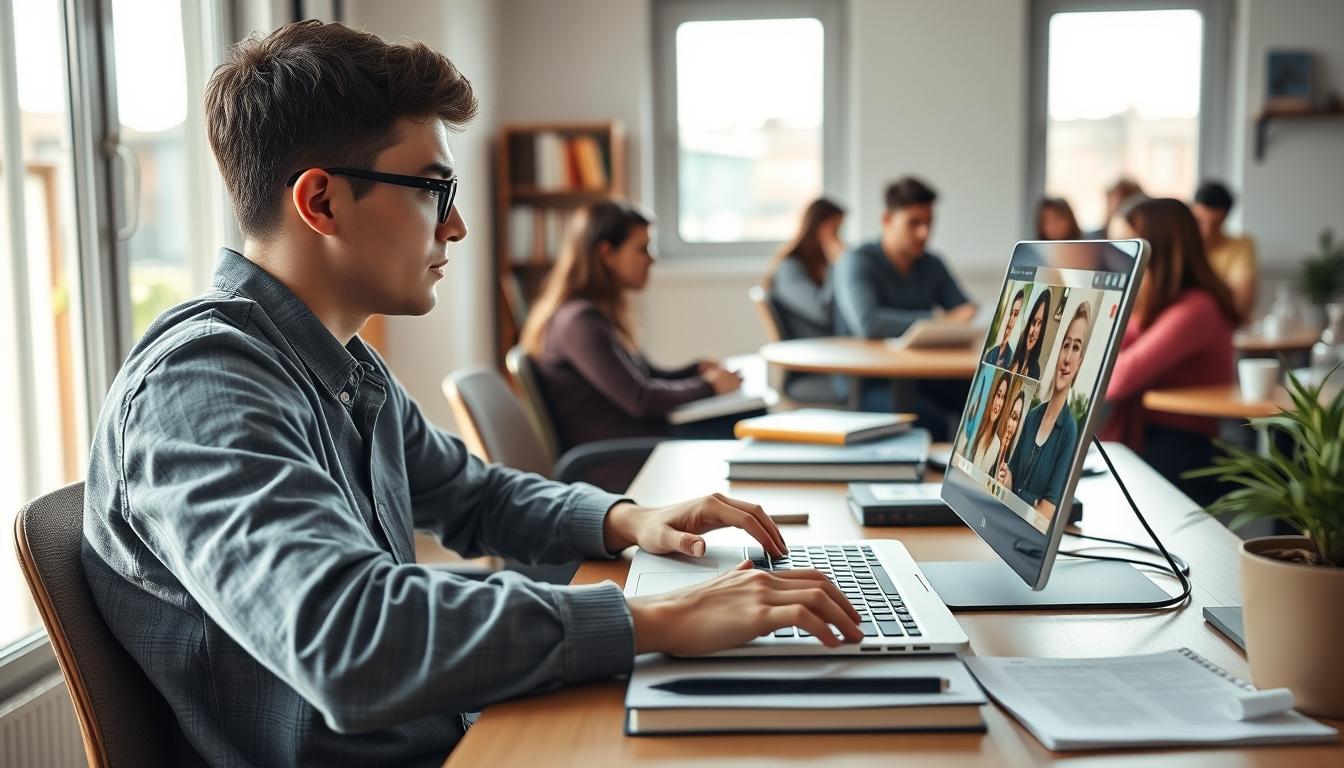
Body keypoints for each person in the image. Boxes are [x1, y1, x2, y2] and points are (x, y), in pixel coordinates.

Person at [81, 22, 862, 766]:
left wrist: (628, 519)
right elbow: (350, 638)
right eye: (433, 189)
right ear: (321, 202)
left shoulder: (343, 365)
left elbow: (473, 495)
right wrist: (647, 619)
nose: (455, 227)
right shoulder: (201, 385)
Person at [520, 199, 743, 450]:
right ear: (607, 254)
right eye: (642, 249)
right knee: (742, 426)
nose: (651, 259)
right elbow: (640, 399)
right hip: (621, 457)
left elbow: (644, 376)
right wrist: (709, 386)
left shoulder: (592, 315)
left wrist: (695, 370)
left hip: (639, 443)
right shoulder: (580, 323)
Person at [1101, 198, 1240, 503]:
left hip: (1185, 447)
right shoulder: (1155, 304)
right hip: (1154, 436)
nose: (1113, 258)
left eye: (1126, 247)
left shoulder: (1197, 308)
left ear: (1159, 250)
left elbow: (1115, 377)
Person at [832, 176, 976, 436]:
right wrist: (939, 321)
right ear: (887, 220)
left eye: (929, 223)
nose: (924, 233)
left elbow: (966, 312)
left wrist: (953, 319)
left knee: (983, 398)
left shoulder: (932, 264)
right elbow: (869, 323)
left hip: (923, 375)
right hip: (867, 381)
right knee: (928, 421)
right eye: (914, 223)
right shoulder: (856, 261)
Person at [1000, 302, 1091, 520]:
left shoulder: (1069, 431)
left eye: (1076, 348)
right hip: (1007, 518)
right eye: (1066, 345)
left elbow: (1047, 511)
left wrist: (1017, 493)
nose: (1067, 358)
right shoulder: (1032, 416)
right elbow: (1010, 475)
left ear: (1080, 362)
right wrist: (1028, 497)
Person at [765, 197, 846, 339]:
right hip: (812, 343)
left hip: (832, 340)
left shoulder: (820, 265)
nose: (839, 240)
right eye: (834, 231)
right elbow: (823, 312)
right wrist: (837, 265)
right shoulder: (789, 268)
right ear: (817, 228)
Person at [1191, 181, 1258, 323]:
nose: (1206, 231)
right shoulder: (1181, 246)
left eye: (1215, 223)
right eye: (1200, 221)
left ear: (1225, 218)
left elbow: (1242, 304)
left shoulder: (1241, 246)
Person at [968, 374, 1012, 475]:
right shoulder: (976, 426)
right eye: (998, 395)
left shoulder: (996, 444)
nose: (998, 403)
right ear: (993, 395)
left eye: (1002, 398)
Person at [1006, 289, 1051, 380]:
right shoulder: (1012, 353)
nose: (1035, 330)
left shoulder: (1035, 371)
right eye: (1034, 322)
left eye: (1040, 325)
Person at [988, 390, 1027, 488]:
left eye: (1015, 418)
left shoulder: (1012, 468)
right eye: (1011, 416)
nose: (1010, 424)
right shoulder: (992, 444)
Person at [984, 287, 1024, 367]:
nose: (1011, 319)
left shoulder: (1014, 359)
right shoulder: (990, 354)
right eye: (1010, 313)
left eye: (1016, 314)